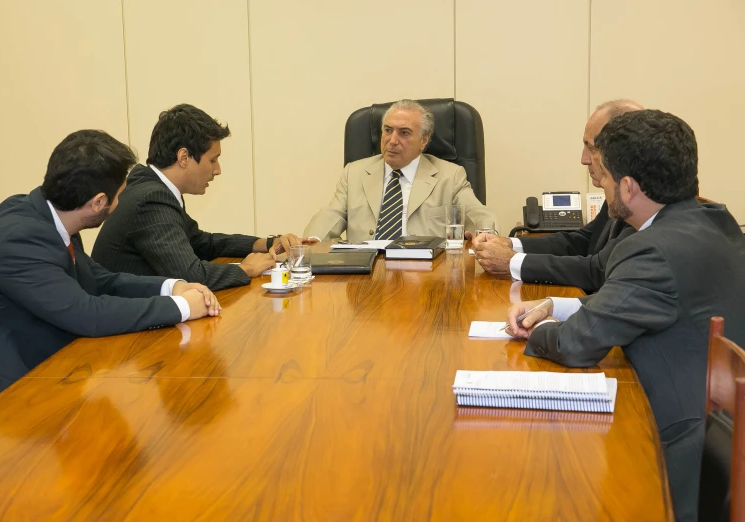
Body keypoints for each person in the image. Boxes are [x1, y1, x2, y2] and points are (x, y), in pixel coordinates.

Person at [504, 110, 745, 522]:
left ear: (629, 187)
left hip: (678, 450)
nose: (601, 184)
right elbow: (638, 302)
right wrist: (554, 305)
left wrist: (539, 329)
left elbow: (576, 344)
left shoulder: (650, 249)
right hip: (720, 427)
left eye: (607, 177)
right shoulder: (716, 221)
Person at [0, 130, 221, 420]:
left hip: (45, 377)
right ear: (98, 202)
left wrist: (173, 287)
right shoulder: (20, 239)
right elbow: (87, 314)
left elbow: (99, 281)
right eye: (120, 195)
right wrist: (184, 308)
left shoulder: (50, 217)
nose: (121, 204)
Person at [91, 104, 314, 291]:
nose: (217, 170)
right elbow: (190, 275)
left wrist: (266, 244)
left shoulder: (153, 185)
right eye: (213, 160)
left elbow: (201, 243)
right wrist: (245, 269)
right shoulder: (151, 198)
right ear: (184, 157)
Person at [472, 100, 643, 293]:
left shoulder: (642, 198)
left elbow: (599, 270)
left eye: (592, 148)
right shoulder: (618, 186)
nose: (584, 159)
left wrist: (513, 262)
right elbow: (585, 240)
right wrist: (511, 244)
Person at [303, 99, 498, 242]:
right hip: (364, 277)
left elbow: (478, 214)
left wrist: (487, 235)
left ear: (424, 141)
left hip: (426, 278)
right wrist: (312, 242)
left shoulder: (450, 176)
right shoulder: (354, 173)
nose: (392, 140)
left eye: (404, 133)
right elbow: (332, 215)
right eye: (388, 130)